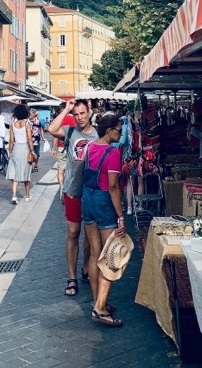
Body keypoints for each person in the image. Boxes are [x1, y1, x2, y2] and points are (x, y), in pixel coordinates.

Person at [48, 98, 97, 298]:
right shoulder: (70, 132)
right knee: (73, 232)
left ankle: (86, 267)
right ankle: (71, 277)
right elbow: (52, 129)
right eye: (76, 114)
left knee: (89, 232)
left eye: (82, 113)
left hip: (92, 191)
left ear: (89, 112)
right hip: (73, 190)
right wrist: (66, 109)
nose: (79, 118)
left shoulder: (98, 133)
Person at [82, 113, 126, 327]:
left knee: (94, 254)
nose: (121, 133)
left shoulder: (89, 147)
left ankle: (98, 301)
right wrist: (121, 216)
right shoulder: (113, 152)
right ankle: (100, 308)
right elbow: (113, 187)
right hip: (103, 202)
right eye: (118, 129)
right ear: (109, 131)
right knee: (111, 257)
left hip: (87, 199)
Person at [6, 104, 34, 204]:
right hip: (25, 148)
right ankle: (27, 195)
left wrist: (10, 151)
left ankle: (14, 196)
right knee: (26, 172)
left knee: (15, 173)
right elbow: (30, 139)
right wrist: (32, 150)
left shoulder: (12, 125)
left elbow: (11, 140)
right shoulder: (27, 123)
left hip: (16, 148)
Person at [29, 109, 44, 173]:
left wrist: (43, 137)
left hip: (37, 139)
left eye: (30, 114)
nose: (29, 115)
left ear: (34, 114)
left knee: (37, 154)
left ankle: (36, 165)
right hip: (29, 139)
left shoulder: (37, 121)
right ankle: (31, 166)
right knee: (30, 153)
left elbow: (41, 129)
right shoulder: (27, 121)